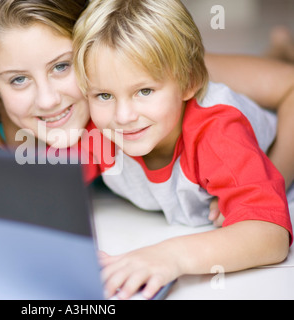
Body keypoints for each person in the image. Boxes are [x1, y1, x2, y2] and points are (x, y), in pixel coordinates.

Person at [0, 0, 293, 228]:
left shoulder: (127, 68)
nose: (48, 102)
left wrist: (266, 178)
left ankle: (272, 54)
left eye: (63, 67)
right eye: (18, 82)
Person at [72, 0, 293, 300]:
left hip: (268, 128)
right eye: (104, 95)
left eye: (145, 91)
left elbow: (271, 234)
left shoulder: (217, 134)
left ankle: (282, 51)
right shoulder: (98, 130)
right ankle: (278, 50)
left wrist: (170, 257)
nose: (123, 116)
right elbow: (40, 185)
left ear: (190, 83)